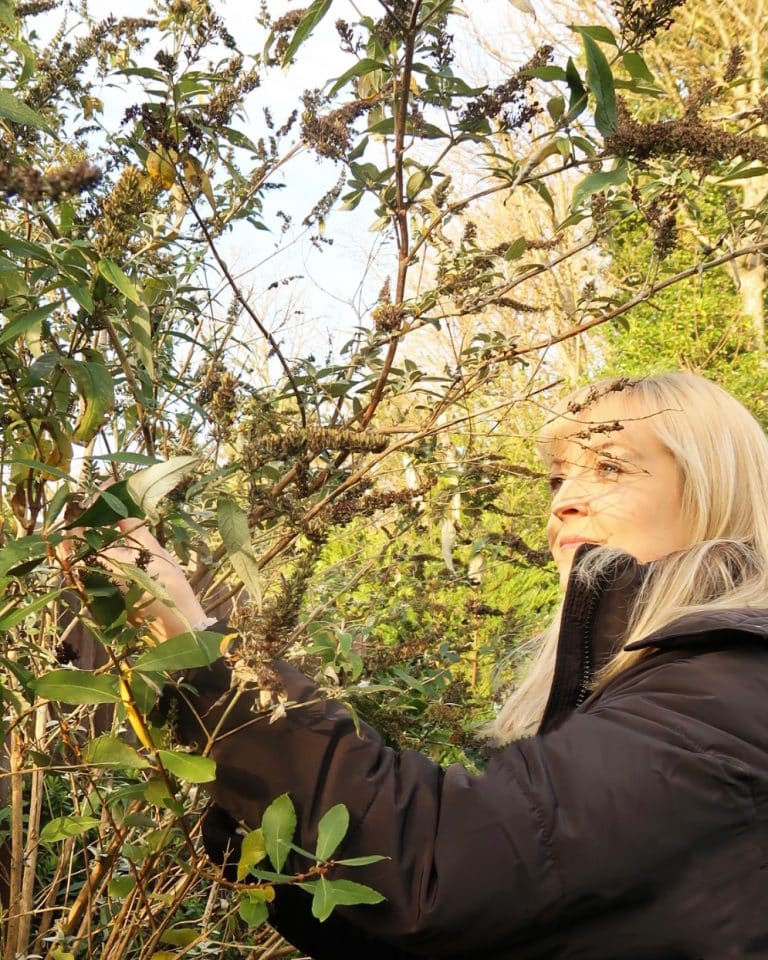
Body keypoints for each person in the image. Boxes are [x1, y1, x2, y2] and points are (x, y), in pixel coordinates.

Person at [107, 372, 768, 959]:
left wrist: (204, 655)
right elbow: (457, 928)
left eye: (610, 466)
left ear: (711, 488)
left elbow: (443, 865)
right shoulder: (653, 691)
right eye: (559, 476)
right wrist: (259, 814)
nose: (562, 500)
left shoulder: (732, 688)